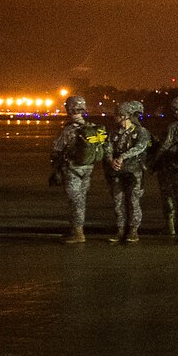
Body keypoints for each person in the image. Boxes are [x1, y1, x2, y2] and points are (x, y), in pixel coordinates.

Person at [50, 95, 105, 245]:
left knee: (75, 201)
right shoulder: (93, 127)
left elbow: (57, 148)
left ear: (70, 109)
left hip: (73, 169)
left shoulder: (69, 129)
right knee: (81, 200)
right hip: (88, 168)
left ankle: (78, 233)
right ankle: (76, 230)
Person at [102, 101, 153, 244]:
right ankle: (120, 229)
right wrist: (111, 160)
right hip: (117, 172)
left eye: (117, 115)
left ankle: (133, 230)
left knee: (133, 201)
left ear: (124, 116)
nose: (114, 118)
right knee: (118, 201)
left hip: (134, 173)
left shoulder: (141, 132)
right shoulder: (114, 133)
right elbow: (108, 147)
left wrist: (122, 157)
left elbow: (140, 147)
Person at [151, 95, 178, 236]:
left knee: (168, 195)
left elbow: (165, 146)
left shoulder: (174, 126)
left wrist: (154, 161)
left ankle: (170, 226)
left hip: (170, 164)